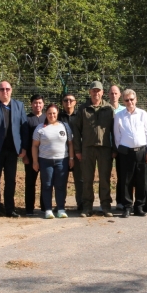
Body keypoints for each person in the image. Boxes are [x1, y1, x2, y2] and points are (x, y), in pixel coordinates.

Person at [0, 81, 29, 220]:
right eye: (2, 89)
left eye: (7, 89)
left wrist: (24, 147)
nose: (4, 91)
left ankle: (10, 209)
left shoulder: (19, 106)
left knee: (11, 180)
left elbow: (24, 128)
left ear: (11, 90)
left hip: (13, 151)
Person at [74, 81, 116, 217]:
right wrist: (78, 150)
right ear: (90, 92)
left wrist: (114, 148)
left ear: (103, 92)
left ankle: (105, 206)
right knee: (87, 179)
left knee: (105, 179)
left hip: (105, 149)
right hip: (87, 149)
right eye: (93, 91)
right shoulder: (83, 109)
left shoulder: (109, 109)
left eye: (98, 91)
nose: (96, 93)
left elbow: (115, 131)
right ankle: (87, 207)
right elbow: (77, 131)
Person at [113, 89, 147, 217]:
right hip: (125, 152)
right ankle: (127, 206)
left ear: (136, 100)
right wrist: (122, 149)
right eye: (126, 100)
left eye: (131, 99)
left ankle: (139, 206)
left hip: (141, 151)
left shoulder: (143, 114)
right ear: (123, 101)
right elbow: (117, 135)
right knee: (126, 180)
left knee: (142, 180)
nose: (129, 102)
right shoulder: (119, 116)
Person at [32, 104, 74, 219]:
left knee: (60, 186)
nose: (52, 115)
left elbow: (70, 143)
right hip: (45, 161)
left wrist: (71, 158)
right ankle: (48, 210)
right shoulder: (40, 128)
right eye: (49, 113)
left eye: (54, 113)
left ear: (57, 113)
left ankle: (61, 209)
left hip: (62, 161)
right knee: (47, 185)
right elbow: (35, 146)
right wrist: (35, 161)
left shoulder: (65, 127)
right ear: (46, 114)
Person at [58, 93, 83, 211]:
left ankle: (81, 204)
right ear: (62, 102)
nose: (68, 102)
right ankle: (60, 204)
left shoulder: (80, 115)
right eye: (65, 100)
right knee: (61, 180)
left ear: (75, 102)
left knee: (80, 179)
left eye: (71, 100)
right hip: (62, 153)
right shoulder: (58, 117)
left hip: (78, 152)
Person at [22, 94, 45, 216]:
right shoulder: (26, 119)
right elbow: (24, 138)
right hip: (30, 157)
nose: (38, 105)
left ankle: (44, 207)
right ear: (31, 104)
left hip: (46, 156)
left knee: (45, 182)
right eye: (35, 103)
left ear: (43, 104)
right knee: (30, 183)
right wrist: (25, 156)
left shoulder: (47, 118)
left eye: (40, 103)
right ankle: (29, 209)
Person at [109, 85, 125, 211]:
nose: (114, 95)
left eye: (116, 93)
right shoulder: (104, 109)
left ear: (120, 95)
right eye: (111, 93)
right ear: (108, 94)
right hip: (107, 147)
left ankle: (121, 201)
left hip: (121, 148)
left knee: (122, 174)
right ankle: (106, 201)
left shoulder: (124, 110)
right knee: (105, 175)